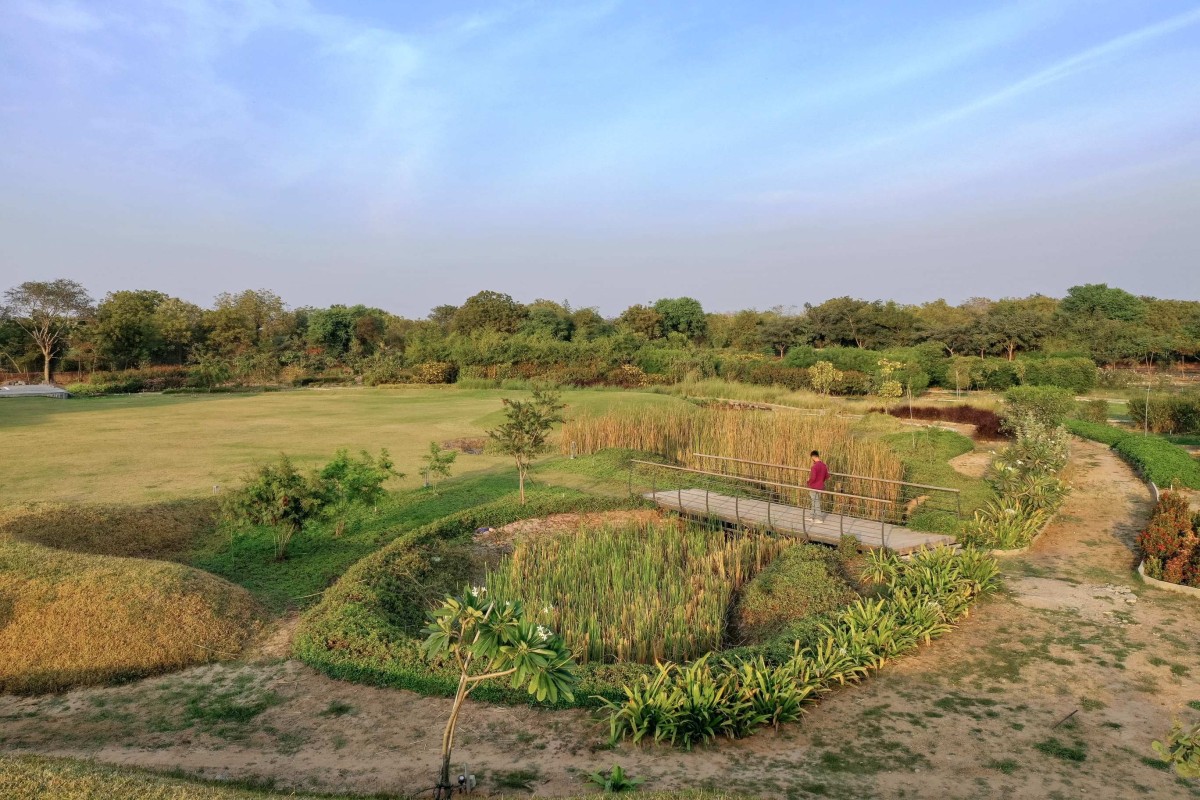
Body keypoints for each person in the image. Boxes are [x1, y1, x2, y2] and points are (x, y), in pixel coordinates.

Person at [807, 450, 829, 522]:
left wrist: (808, 482)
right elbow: (827, 476)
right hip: (820, 486)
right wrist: (821, 481)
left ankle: (819, 518)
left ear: (813, 457)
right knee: (815, 501)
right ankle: (811, 516)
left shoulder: (814, 467)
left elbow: (813, 478)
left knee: (815, 502)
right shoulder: (824, 466)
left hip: (813, 486)